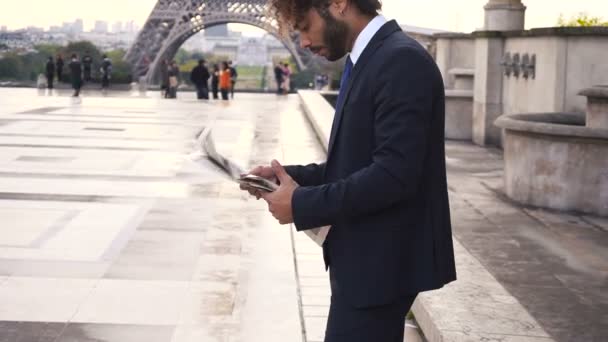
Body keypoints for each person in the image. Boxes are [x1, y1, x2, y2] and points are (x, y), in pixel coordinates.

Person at [241, 1, 456, 341]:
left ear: (338, 4)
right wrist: (285, 176)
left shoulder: (400, 60)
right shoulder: (371, 58)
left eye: (304, 27)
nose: (304, 43)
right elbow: (358, 163)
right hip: (367, 262)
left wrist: (300, 205)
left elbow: (394, 175)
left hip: (381, 266)